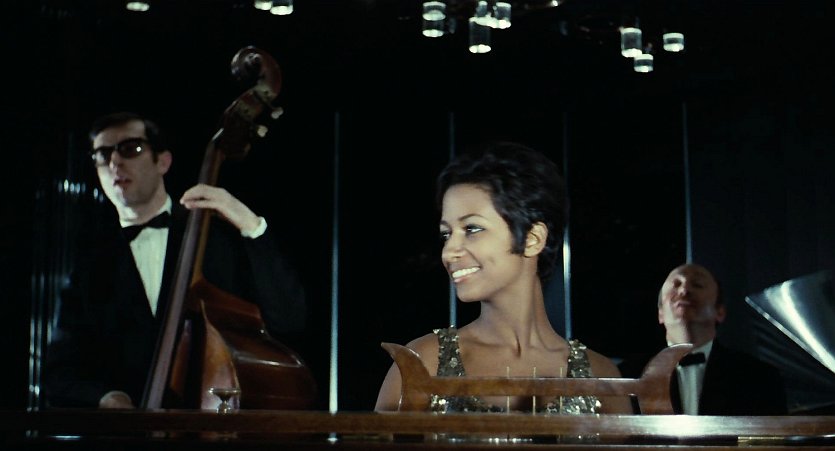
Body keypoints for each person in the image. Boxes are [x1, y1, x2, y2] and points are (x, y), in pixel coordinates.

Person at [44, 111, 307, 409]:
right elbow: (58, 372)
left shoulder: (216, 237)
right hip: (127, 431)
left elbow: (289, 317)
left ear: (163, 162)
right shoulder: (91, 265)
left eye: (131, 148)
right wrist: (107, 398)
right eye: (103, 155)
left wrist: (251, 224)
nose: (115, 162)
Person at [375, 142, 632, 414]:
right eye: (446, 234)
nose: (449, 251)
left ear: (532, 239)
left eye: (472, 229)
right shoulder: (422, 363)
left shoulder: (601, 375)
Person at [618, 263, 787, 415]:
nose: (684, 290)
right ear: (660, 314)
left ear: (720, 312)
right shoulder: (626, 375)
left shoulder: (760, 377)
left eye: (697, 284)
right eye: (676, 284)